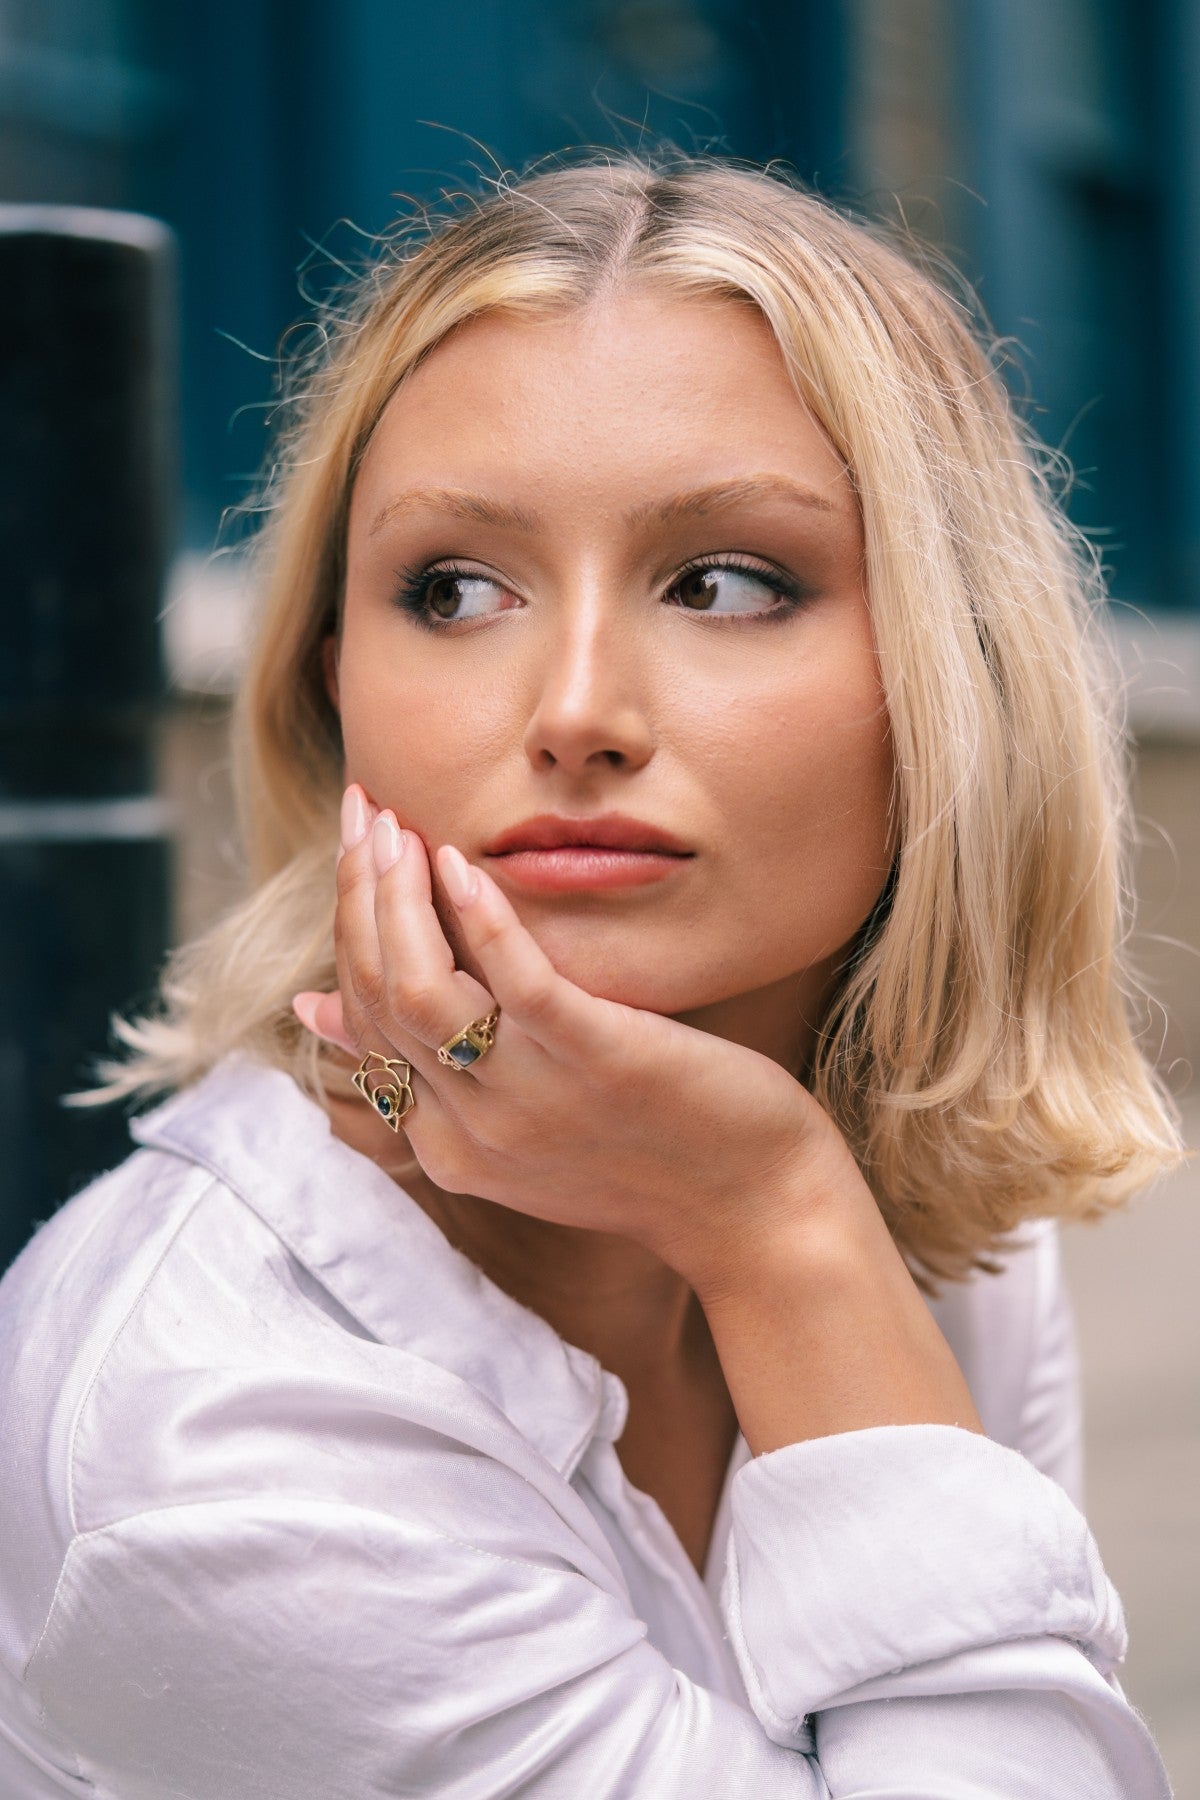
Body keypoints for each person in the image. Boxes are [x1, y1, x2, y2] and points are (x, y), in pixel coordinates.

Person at [0, 154, 1184, 1798]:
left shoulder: (920, 1211)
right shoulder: (228, 1453)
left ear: (954, 672)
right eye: (458, 589)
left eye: (724, 582)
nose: (574, 708)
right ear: (339, 684)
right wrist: (779, 1235)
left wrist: (794, 1241)